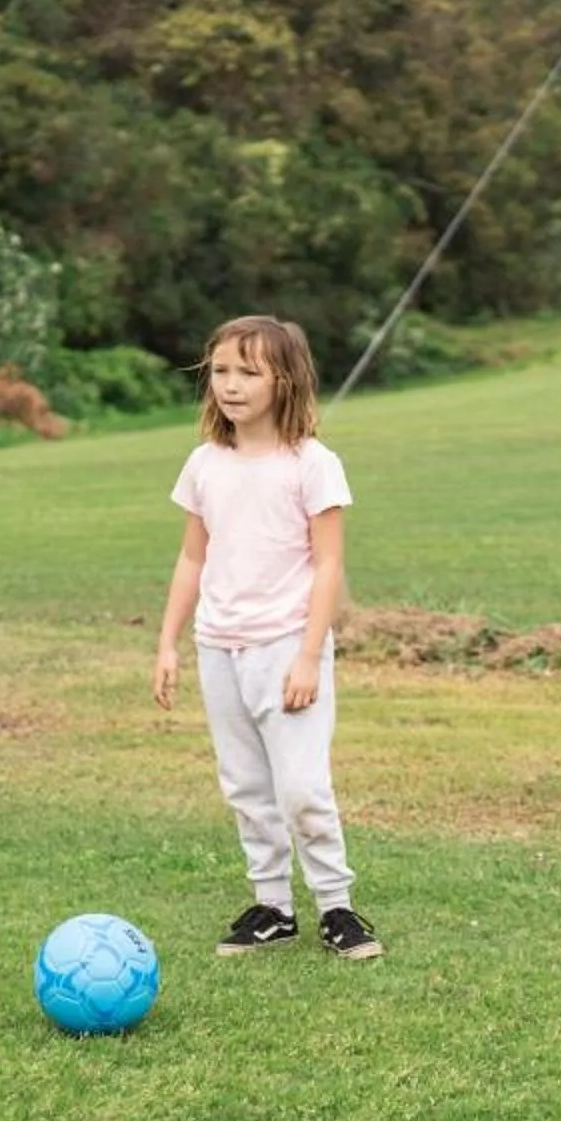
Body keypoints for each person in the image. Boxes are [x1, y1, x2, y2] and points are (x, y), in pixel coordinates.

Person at [151, 315, 382, 961]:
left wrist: (308, 655)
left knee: (302, 787)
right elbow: (192, 557)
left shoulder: (313, 464)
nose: (230, 384)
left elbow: (328, 564)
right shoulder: (205, 463)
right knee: (246, 785)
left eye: (248, 372)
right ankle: (273, 907)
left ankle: (337, 907)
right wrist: (168, 642)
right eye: (221, 370)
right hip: (219, 647)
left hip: (286, 647)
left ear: (285, 380)